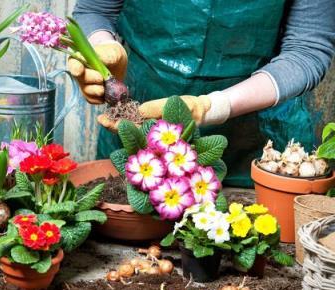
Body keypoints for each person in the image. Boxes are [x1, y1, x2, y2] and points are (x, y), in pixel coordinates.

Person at [68, 0, 335, 187]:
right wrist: (101, 50)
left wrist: (211, 106)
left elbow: (307, 49)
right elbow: (95, 10)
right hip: (140, 124)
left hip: (257, 145)